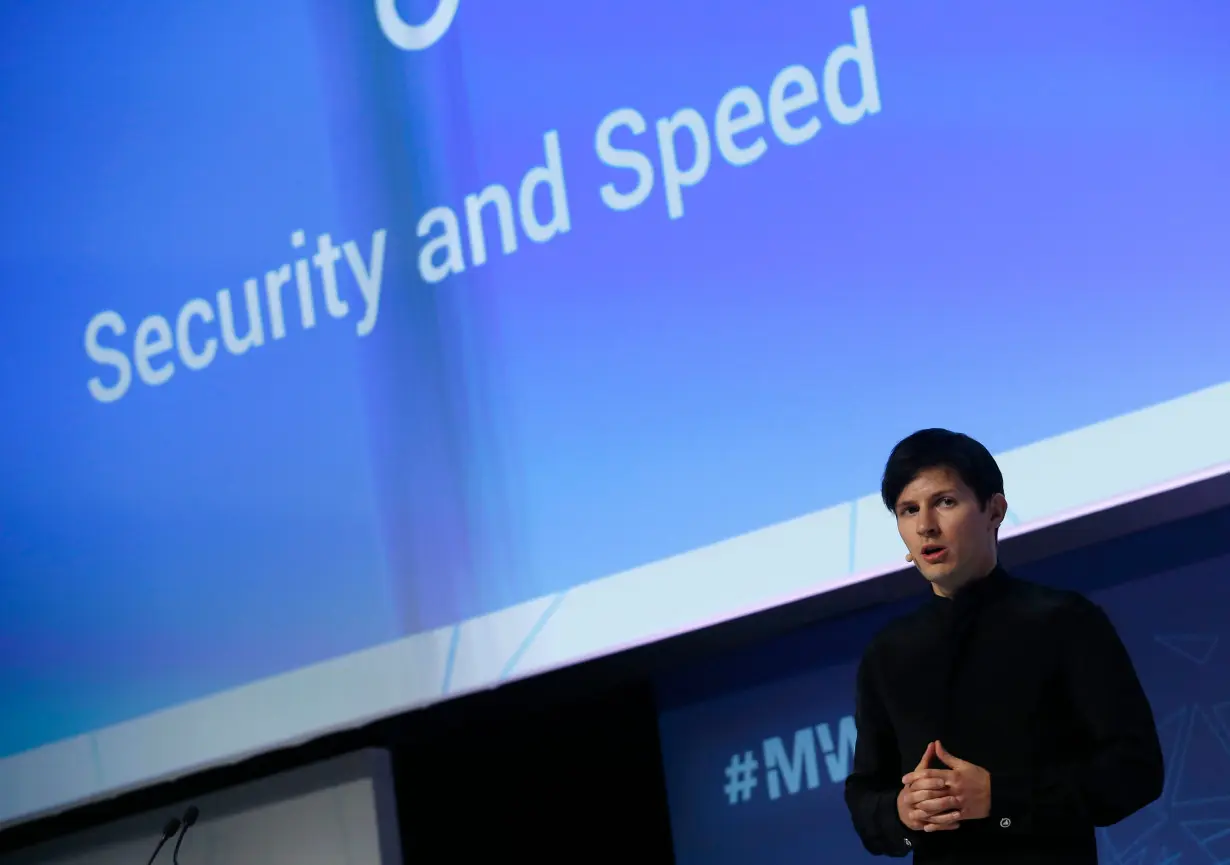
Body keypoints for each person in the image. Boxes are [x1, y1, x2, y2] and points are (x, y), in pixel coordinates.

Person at [843, 429, 1163, 864]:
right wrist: (900, 813)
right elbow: (866, 793)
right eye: (908, 510)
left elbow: (1136, 771)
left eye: (945, 502)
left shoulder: (1063, 621)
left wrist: (1000, 800)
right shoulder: (888, 652)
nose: (925, 526)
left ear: (994, 510)